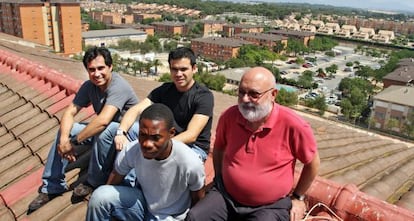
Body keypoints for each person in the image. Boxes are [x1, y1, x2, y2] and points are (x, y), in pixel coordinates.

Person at [186, 67, 320, 221]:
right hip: (226, 197)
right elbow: (219, 147)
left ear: (273, 94)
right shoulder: (229, 117)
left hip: (270, 206)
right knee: (194, 217)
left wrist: (298, 197)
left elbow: (312, 163)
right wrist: (219, 178)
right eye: (241, 92)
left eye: (253, 94)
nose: (244, 99)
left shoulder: (294, 125)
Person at [28, 46, 139, 214]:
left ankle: (93, 181)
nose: (97, 74)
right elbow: (70, 112)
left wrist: (73, 142)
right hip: (102, 137)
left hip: (123, 139)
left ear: (110, 67)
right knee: (67, 129)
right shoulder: (89, 86)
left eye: (101, 68)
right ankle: (52, 185)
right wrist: (65, 139)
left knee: (106, 129)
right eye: (91, 70)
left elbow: (103, 121)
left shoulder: (119, 86)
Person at [86, 103, 206, 221]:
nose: (146, 144)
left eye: (156, 138)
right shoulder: (132, 150)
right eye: (142, 135)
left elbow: (198, 200)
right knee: (99, 197)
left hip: (170, 217)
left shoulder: (190, 162)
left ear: (171, 134)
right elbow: (114, 179)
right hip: (142, 205)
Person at [115, 47, 213, 162]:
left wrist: (159, 145)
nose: (178, 74)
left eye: (183, 69)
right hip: (162, 138)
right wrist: (121, 133)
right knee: (114, 130)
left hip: (193, 148)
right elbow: (136, 109)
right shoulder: (165, 90)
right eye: (174, 69)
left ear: (194, 68)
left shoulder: (204, 96)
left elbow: (191, 135)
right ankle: (110, 177)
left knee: (151, 157)